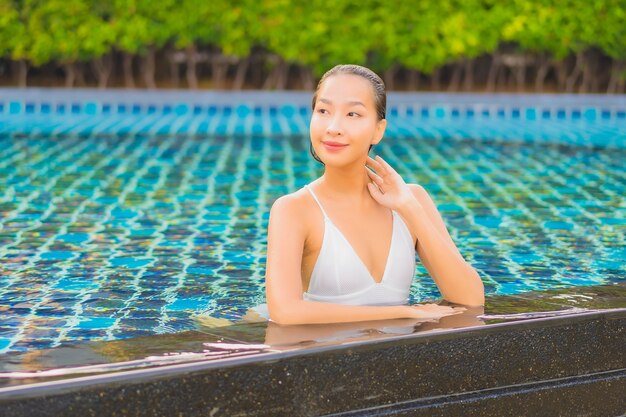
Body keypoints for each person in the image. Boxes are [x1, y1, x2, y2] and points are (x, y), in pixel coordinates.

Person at [198, 64, 484, 329]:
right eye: (323, 111)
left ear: (378, 130)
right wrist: (403, 312)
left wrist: (408, 207)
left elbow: (471, 299)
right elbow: (285, 312)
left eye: (353, 114)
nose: (333, 126)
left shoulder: (413, 200)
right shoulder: (294, 209)